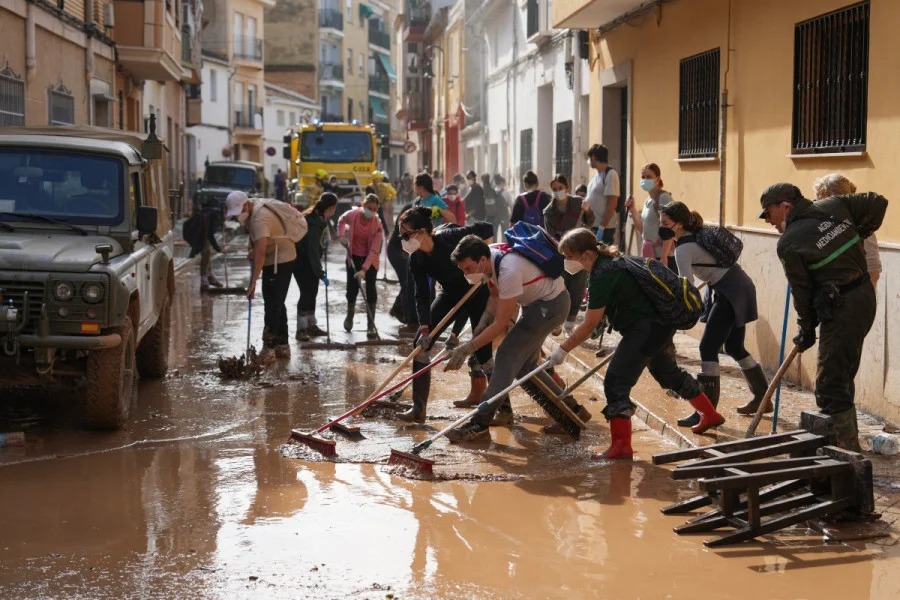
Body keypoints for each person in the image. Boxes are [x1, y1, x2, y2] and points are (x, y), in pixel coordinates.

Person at [550, 229, 725, 459]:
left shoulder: (603, 273)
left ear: (586, 254)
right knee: (667, 373)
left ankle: (621, 446)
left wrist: (563, 349)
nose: (567, 262)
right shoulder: (612, 261)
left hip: (646, 329)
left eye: (569, 256)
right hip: (658, 326)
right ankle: (709, 414)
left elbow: (590, 323)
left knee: (615, 382)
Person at [758, 183, 887, 451]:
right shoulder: (834, 205)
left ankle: (846, 456)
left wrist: (806, 328)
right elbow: (877, 201)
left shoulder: (789, 243)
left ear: (785, 206)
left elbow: (801, 291)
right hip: (863, 297)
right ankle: (845, 447)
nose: (768, 221)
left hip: (843, 307)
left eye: (769, 213)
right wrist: (859, 232)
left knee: (830, 385)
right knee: (840, 374)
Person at [441, 236, 592, 441]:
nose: (465, 274)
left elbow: (501, 323)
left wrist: (467, 348)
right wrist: (482, 324)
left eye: (467, 268)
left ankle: (479, 423)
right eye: (462, 270)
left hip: (550, 306)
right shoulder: (491, 258)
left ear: (482, 259)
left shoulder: (508, 271)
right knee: (524, 366)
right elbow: (495, 300)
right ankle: (572, 411)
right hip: (537, 304)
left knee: (506, 355)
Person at [659, 202, 769, 424]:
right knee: (734, 347)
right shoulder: (692, 236)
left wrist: (673, 312)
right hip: (737, 284)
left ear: (679, 224)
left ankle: (707, 411)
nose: (661, 227)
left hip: (731, 290)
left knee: (707, 347)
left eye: (665, 223)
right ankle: (763, 398)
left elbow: (686, 287)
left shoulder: (682, 249)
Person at [395, 208, 495, 422]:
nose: (404, 240)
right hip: (450, 293)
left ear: (422, 232)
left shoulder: (450, 237)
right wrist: (424, 327)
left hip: (477, 291)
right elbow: (421, 294)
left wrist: (485, 267)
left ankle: (503, 409)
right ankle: (418, 409)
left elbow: (487, 228)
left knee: (483, 351)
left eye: (406, 235)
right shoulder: (416, 259)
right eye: (401, 235)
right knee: (421, 344)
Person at [225, 190, 299, 362]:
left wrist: (253, 282)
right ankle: (282, 346)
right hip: (275, 256)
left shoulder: (260, 218)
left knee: (273, 304)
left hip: (281, 259)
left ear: (246, 204)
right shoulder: (254, 208)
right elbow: (255, 244)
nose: (238, 217)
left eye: (238, 212)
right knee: (276, 301)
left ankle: (269, 348)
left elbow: (260, 252)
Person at [544, 174, 594, 334]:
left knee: (578, 288)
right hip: (561, 253)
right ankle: (557, 320)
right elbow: (550, 236)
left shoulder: (578, 203)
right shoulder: (549, 212)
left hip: (580, 251)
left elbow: (590, 221)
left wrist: (587, 211)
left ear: (567, 188)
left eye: (560, 188)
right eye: (554, 189)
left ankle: (570, 323)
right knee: (559, 288)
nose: (558, 191)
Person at [813, 173, 882, 287]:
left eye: (819, 200)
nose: (816, 204)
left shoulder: (861, 224)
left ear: (830, 198)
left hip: (855, 300)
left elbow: (873, 271)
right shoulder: (820, 224)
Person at [337, 193, 384, 339]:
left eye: (375, 209)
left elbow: (375, 250)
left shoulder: (377, 224)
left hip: (370, 260)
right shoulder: (353, 215)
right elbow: (341, 220)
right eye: (369, 207)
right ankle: (349, 316)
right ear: (363, 205)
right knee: (352, 289)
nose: (371, 211)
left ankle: (370, 325)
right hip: (353, 257)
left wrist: (364, 269)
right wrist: (342, 236)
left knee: (370, 289)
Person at [294, 193, 337, 341]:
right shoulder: (312, 222)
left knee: (312, 291)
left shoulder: (320, 218)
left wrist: (324, 243)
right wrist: (320, 273)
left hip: (310, 261)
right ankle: (301, 329)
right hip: (302, 262)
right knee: (306, 293)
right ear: (331, 207)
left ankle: (311, 325)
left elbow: (317, 245)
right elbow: (312, 250)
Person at [625, 163, 675, 267]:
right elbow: (642, 230)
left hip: (662, 257)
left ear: (657, 179)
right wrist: (633, 210)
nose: (645, 180)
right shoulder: (647, 201)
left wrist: (664, 256)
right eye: (643, 177)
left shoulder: (663, 198)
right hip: (650, 254)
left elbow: (670, 229)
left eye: (649, 177)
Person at [584, 144, 620, 244]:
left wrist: (602, 227)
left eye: (589, 158)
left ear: (594, 158)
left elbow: (612, 203)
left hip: (604, 228)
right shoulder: (596, 175)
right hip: (592, 225)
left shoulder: (611, 174)